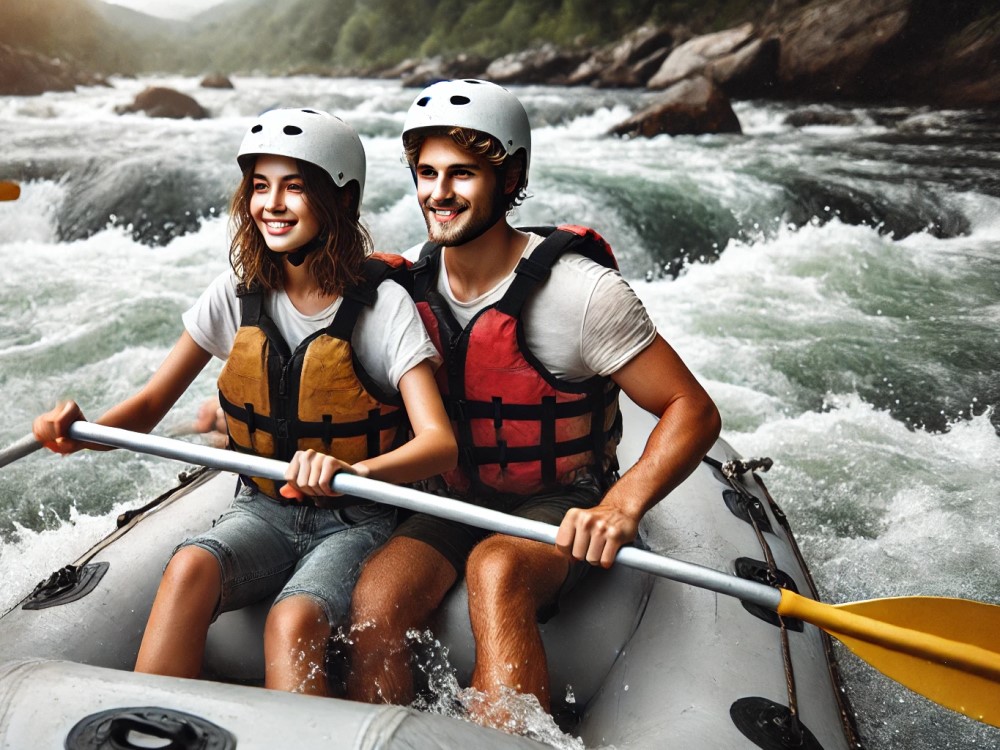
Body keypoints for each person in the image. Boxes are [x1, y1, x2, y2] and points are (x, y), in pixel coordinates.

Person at [32, 108, 457, 696]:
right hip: (261, 507)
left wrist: (351, 471)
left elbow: (439, 443)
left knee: (293, 620)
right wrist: (80, 430)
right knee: (189, 567)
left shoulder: (383, 309)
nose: (272, 204)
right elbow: (154, 399)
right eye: (260, 187)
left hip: (357, 520)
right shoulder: (235, 294)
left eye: (294, 187)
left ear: (340, 200)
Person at [345, 80, 722, 724]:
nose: (439, 192)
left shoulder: (584, 295)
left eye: (462, 173)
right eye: (427, 172)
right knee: (377, 598)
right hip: (455, 494)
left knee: (497, 568)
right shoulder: (402, 285)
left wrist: (621, 504)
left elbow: (693, 408)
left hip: (561, 496)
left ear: (510, 175)